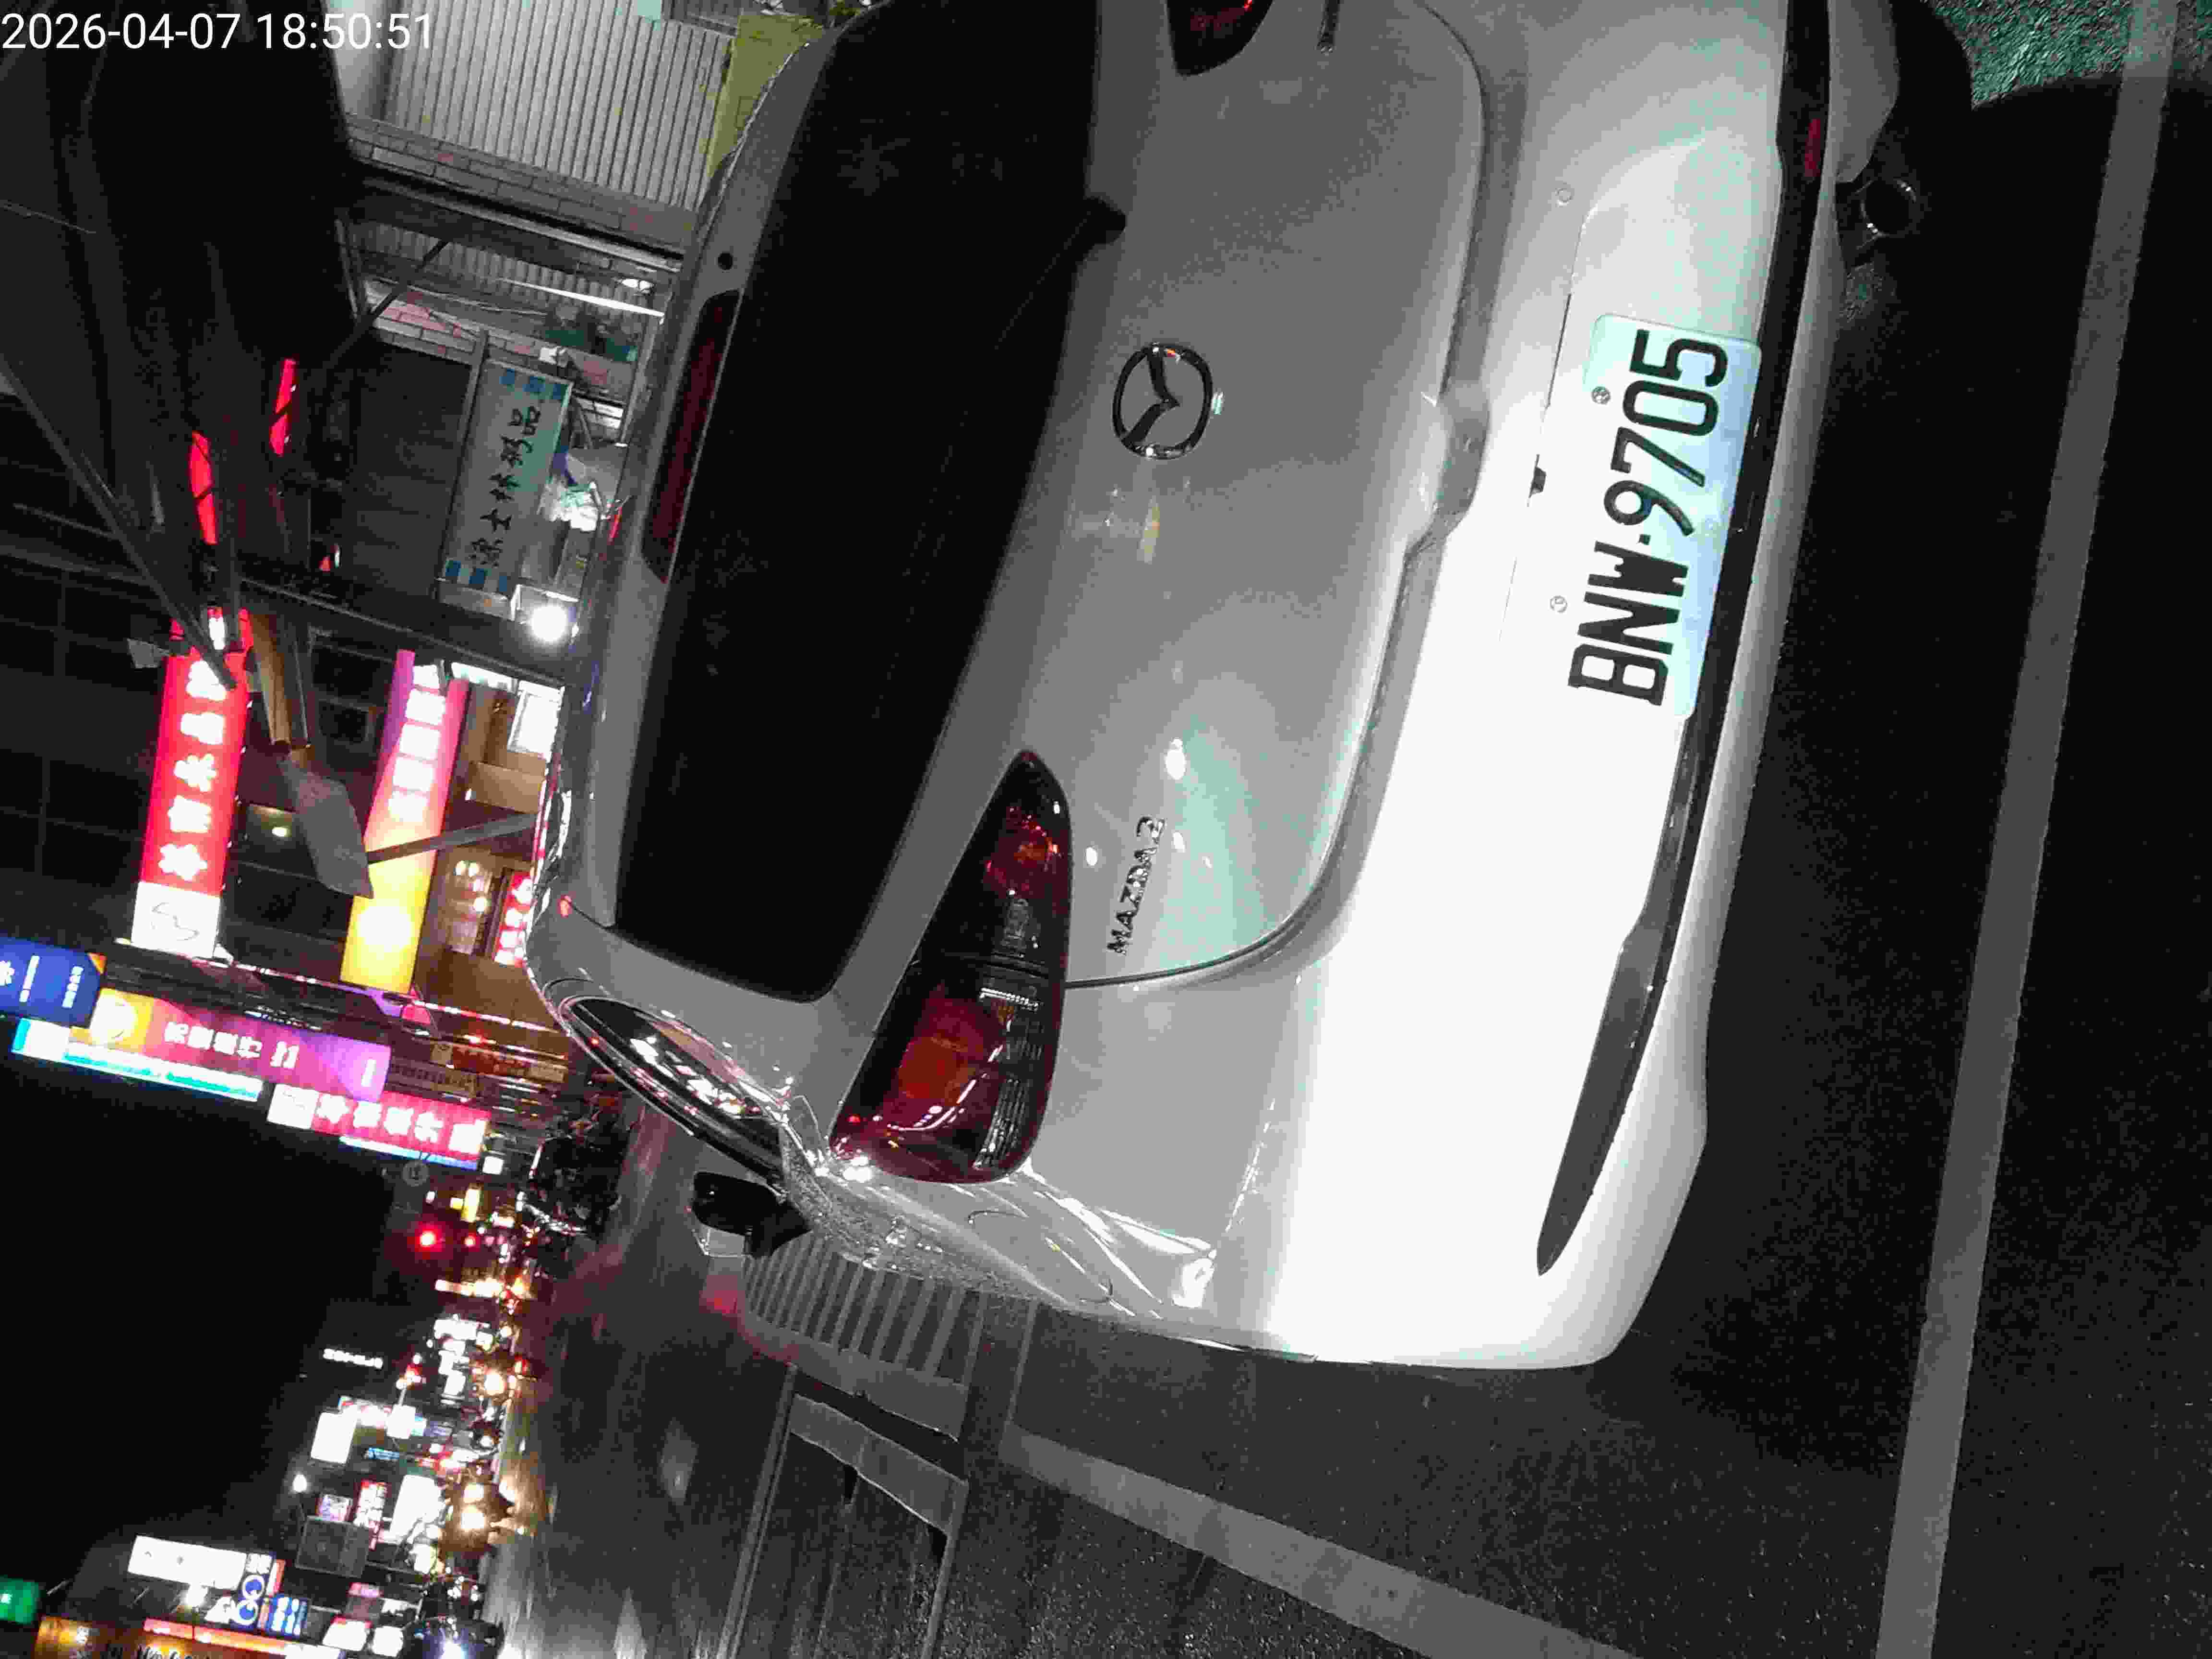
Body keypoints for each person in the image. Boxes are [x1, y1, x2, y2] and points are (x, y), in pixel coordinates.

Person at [689, 1171, 811, 1259]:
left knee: (800, 1219)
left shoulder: (703, 1209)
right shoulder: (703, 1209)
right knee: (800, 1217)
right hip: (766, 1218)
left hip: (765, 1220)